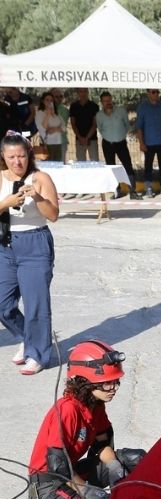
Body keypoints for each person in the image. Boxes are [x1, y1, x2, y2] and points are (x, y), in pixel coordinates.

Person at [28, 341, 145, 499]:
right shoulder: (67, 410)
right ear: (85, 381)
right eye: (108, 382)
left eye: (116, 382)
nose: (113, 388)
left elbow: (102, 445)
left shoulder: (95, 406)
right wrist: (89, 492)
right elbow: (59, 469)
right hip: (48, 488)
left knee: (136, 460)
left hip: (72, 473)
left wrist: (116, 467)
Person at [0, 131, 59, 375]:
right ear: (3, 156)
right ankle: (28, 337)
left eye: (21, 156)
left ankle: (38, 354)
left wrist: (36, 197)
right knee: (3, 304)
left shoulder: (41, 178)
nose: (17, 162)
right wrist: (8, 201)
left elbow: (53, 214)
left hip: (35, 243)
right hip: (6, 245)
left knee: (36, 304)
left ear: (29, 155)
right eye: (11, 157)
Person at [96, 91, 140, 200]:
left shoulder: (121, 111)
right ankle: (117, 191)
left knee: (128, 166)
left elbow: (127, 125)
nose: (108, 103)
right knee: (111, 167)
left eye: (109, 100)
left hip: (121, 143)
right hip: (107, 144)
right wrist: (109, 137)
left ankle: (132, 191)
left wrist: (121, 136)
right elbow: (100, 129)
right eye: (105, 101)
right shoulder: (99, 115)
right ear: (101, 102)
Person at [135, 89, 161, 198]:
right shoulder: (143, 107)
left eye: (157, 92)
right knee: (148, 166)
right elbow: (139, 127)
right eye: (153, 92)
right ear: (148, 93)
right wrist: (141, 143)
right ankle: (148, 188)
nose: (156, 94)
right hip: (148, 143)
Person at [69, 88, 99, 161]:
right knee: (80, 163)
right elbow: (73, 124)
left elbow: (95, 124)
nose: (83, 94)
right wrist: (80, 138)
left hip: (92, 139)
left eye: (85, 91)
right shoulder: (73, 106)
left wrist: (87, 138)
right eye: (81, 91)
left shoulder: (94, 106)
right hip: (79, 139)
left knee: (95, 163)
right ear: (78, 93)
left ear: (88, 92)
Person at [34, 92, 65, 162]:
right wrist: (48, 114)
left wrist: (55, 129)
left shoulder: (57, 114)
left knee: (58, 165)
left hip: (58, 143)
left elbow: (64, 127)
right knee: (48, 166)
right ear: (43, 101)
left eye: (51, 100)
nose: (49, 102)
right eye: (47, 100)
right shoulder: (40, 113)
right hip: (46, 144)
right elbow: (43, 128)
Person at [50, 89, 70, 162]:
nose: (59, 98)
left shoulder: (64, 110)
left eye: (61, 96)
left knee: (61, 166)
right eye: (56, 96)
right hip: (47, 142)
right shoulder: (44, 109)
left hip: (61, 141)